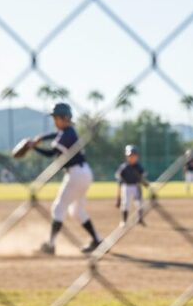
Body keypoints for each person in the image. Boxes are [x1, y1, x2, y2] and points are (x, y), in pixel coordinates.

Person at [31, 103, 102, 254]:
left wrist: (33, 146)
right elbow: (55, 135)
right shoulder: (69, 132)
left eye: (56, 118)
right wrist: (41, 137)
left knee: (58, 208)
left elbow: (51, 153)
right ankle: (97, 240)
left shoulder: (66, 135)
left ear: (64, 118)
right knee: (76, 211)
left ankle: (50, 245)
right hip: (84, 173)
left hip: (76, 174)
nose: (54, 121)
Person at [114, 144, 149, 227]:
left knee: (139, 203)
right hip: (126, 187)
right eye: (130, 155)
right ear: (126, 156)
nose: (132, 157)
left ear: (137, 156)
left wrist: (145, 184)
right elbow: (119, 181)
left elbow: (142, 178)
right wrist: (118, 197)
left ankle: (140, 219)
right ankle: (124, 221)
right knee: (126, 203)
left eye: (134, 155)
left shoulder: (139, 167)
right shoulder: (124, 167)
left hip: (137, 187)